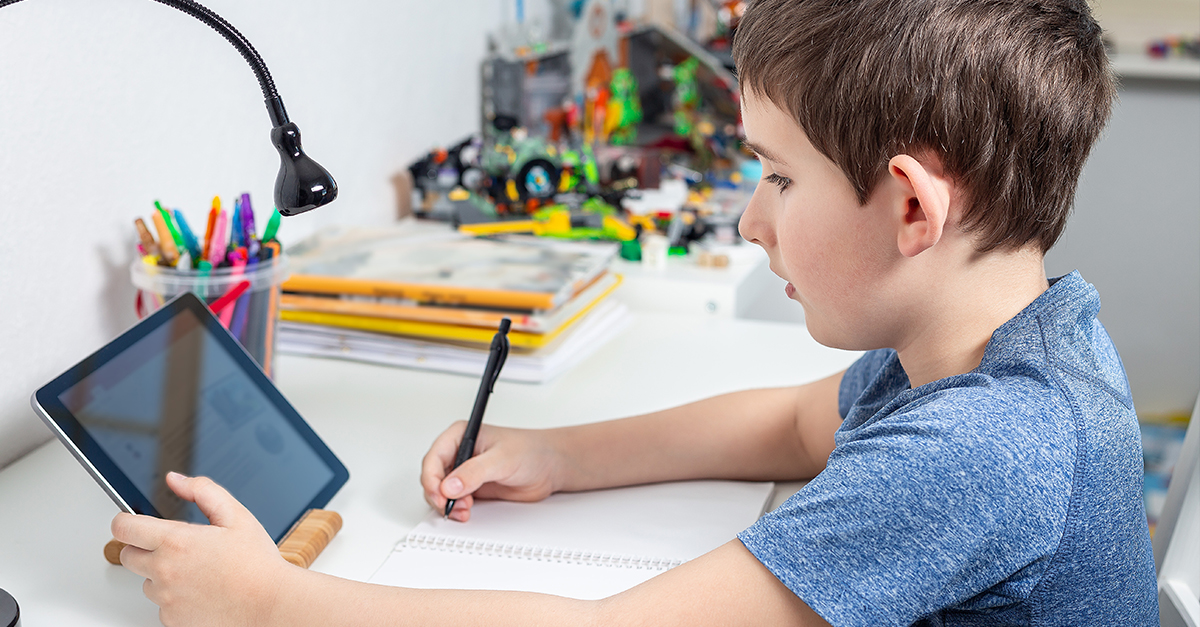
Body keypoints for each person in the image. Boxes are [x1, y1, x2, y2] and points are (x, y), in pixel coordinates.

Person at [110, 0, 1159, 624]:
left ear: (913, 207)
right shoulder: (1013, 337)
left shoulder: (980, 449)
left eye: (778, 178)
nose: (751, 222)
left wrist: (277, 604)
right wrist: (560, 456)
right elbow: (796, 426)